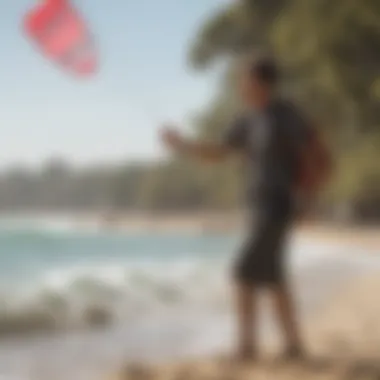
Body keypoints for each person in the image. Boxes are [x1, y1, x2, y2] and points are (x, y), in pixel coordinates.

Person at [160, 55, 316, 361]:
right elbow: (220, 151)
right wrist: (183, 145)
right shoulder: (246, 119)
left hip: (278, 205)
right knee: (274, 278)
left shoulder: (285, 114)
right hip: (257, 207)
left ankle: (247, 347)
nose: (240, 85)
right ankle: (294, 345)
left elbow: (309, 152)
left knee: (242, 273)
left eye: (244, 78)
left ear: (260, 82)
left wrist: (307, 200)